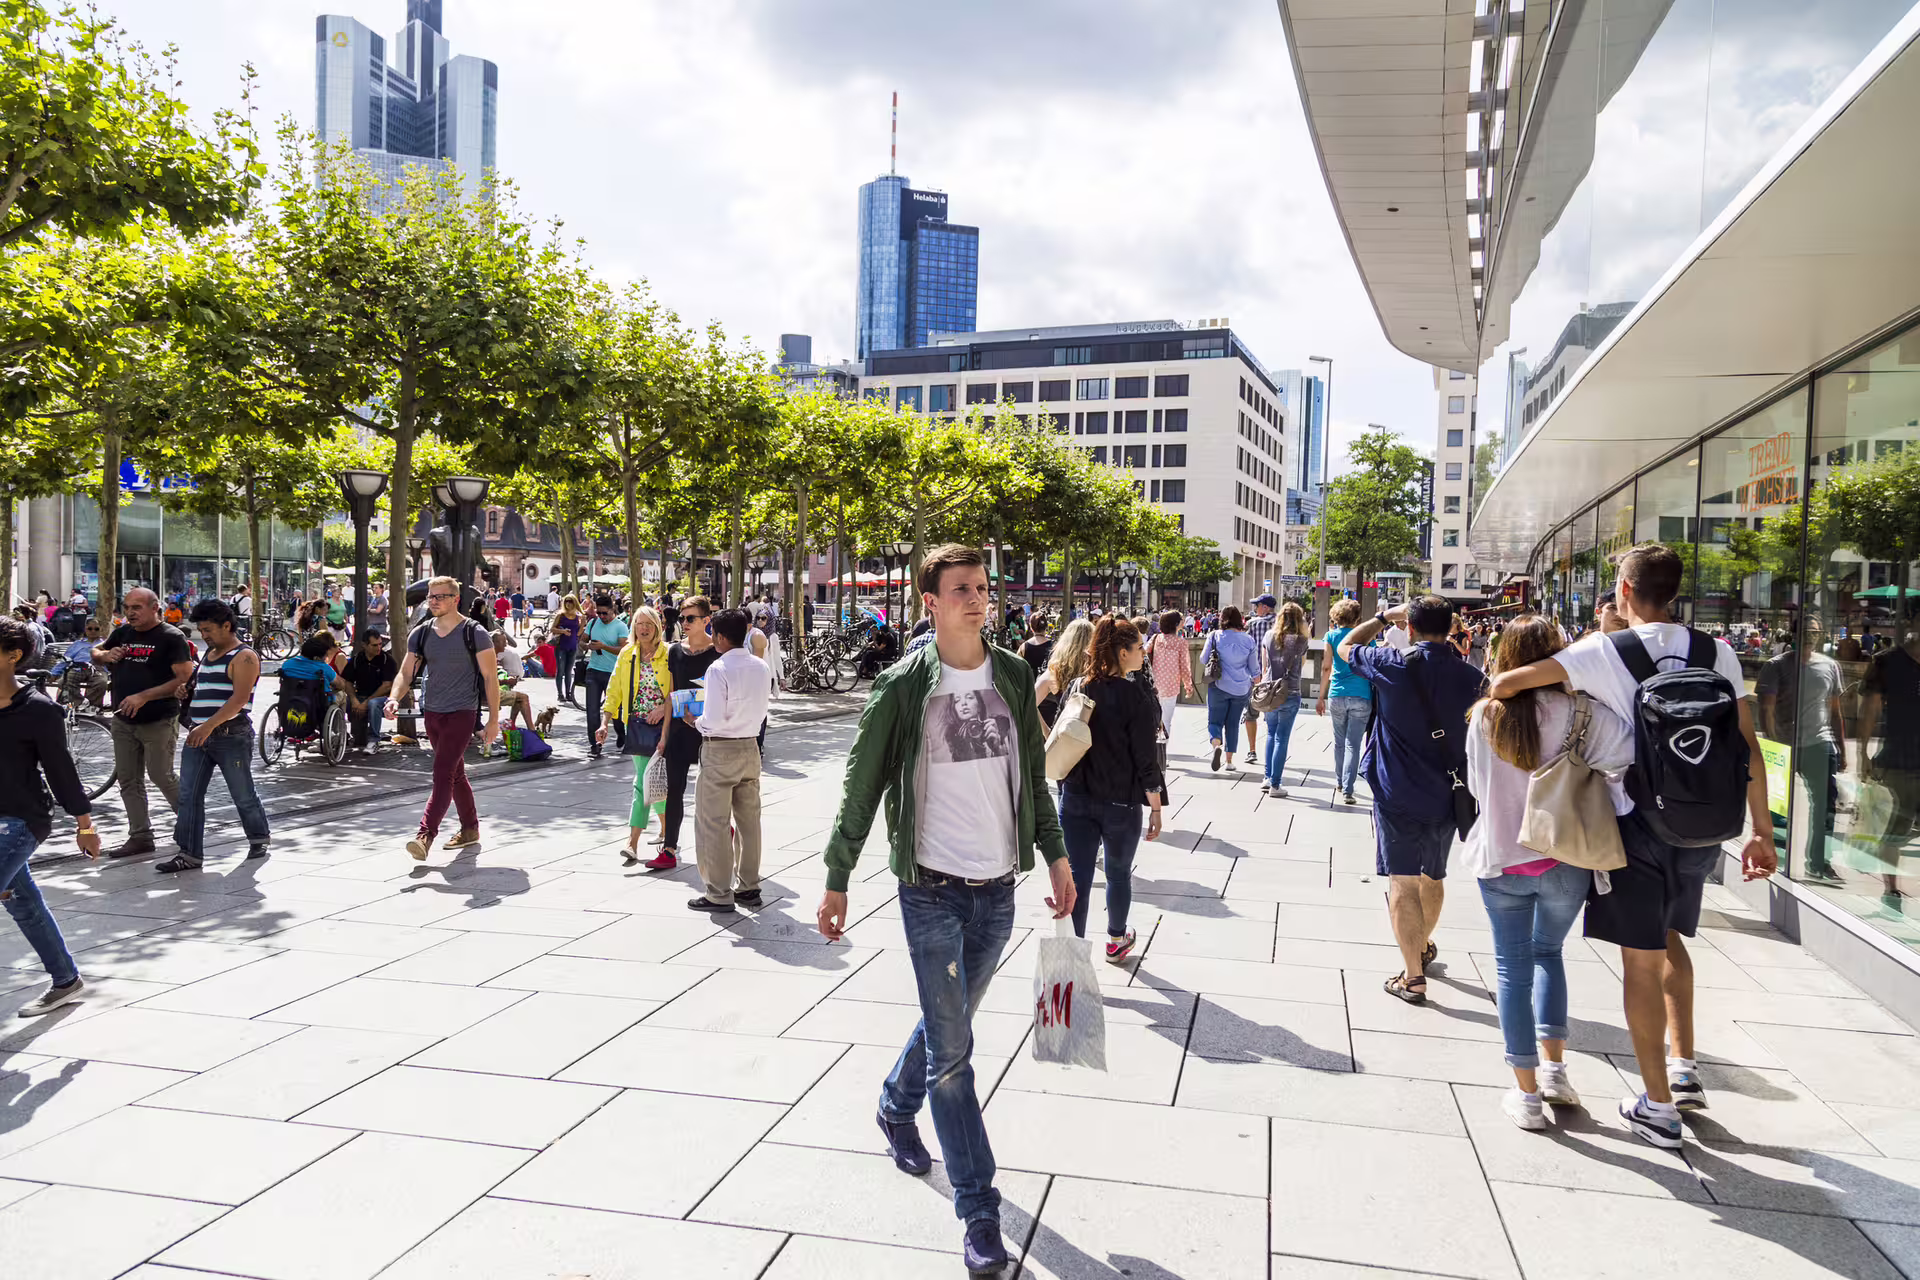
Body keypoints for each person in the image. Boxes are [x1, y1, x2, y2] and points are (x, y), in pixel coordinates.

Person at [816, 544, 1072, 1275]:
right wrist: (837, 876)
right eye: (961, 589)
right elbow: (860, 787)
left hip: (999, 890)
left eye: (983, 587)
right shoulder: (903, 686)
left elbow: (1032, 770)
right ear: (929, 601)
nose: (977, 599)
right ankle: (980, 1212)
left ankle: (895, 1107)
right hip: (929, 889)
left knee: (945, 1025)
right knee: (955, 1059)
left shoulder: (1017, 675)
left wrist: (1053, 854)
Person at [1487, 543, 1775, 1149]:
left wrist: (1597, 647)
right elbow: (1746, 745)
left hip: (1638, 827)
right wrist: (1763, 832)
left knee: (1639, 961)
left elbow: (1508, 681)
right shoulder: (1716, 651)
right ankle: (1685, 1067)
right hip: (1703, 826)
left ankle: (1658, 1108)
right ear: (1674, 592)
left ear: (1623, 588)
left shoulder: (1600, 652)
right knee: (1672, 941)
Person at [1463, 614, 1633, 1129]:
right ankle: (1556, 1070)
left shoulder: (1486, 716)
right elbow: (1626, 762)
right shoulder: (1588, 713)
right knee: (1549, 955)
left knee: (1511, 971)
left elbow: (1476, 787)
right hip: (1568, 856)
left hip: (1502, 857)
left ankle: (1527, 1095)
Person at [1338, 597, 1486, 1005]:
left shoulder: (1391, 663)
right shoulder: (1472, 676)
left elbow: (1344, 646)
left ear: (1412, 628)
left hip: (1396, 790)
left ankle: (1414, 976)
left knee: (1402, 881)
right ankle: (1422, 944)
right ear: (1452, 627)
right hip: (1448, 794)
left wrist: (1383, 616)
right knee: (1433, 875)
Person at [0, 616, 104, 1016]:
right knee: (23, 904)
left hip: (20, 820)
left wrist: (85, 825)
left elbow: (62, 772)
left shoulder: (40, 710)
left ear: (13, 656)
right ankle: (66, 980)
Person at [1057, 616, 1163, 960]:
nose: (1143, 655)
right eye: (1137, 649)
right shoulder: (1136, 696)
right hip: (1120, 802)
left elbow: (1062, 738)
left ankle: (1073, 954)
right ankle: (1116, 939)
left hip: (1075, 797)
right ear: (1122, 653)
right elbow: (1146, 759)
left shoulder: (1078, 688)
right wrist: (1157, 808)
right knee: (1117, 874)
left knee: (1078, 879)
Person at [386, 575, 502, 861]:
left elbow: (491, 679)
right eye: (431, 596)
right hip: (433, 712)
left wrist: (493, 720)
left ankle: (425, 835)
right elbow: (406, 672)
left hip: (462, 712)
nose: (433, 601)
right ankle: (470, 828)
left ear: (455, 599)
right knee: (455, 773)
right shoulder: (422, 633)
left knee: (442, 773)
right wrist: (393, 697)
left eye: (440, 596)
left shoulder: (474, 632)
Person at [160, 601, 271, 873]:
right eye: (201, 629)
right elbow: (207, 688)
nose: (204, 635)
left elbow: (239, 700)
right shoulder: (209, 653)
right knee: (188, 795)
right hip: (199, 733)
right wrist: (186, 693)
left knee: (242, 793)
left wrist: (208, 726)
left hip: (230, 735)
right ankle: (189, 853)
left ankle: (259, 837)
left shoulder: (244, 656)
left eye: (208, 629)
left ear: (227, 626)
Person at [91, 587, 195, 859]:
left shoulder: (171, 637)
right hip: (122, 720)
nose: (130, 613)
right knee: (128, 779)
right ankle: (140, 836)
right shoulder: (123, 633)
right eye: (126, 607)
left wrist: (143, 696)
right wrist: (105, 655)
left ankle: (192, 826)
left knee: (161, 775)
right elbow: (96, 651)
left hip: (158, 719)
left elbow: (184, 677)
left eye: (137, 607)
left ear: (155, 607)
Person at [687, 609, 772, 912]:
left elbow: (711, 719)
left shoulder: (717, 668)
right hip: (750, 746)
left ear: (721, 637)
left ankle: (719, 892)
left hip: (720, 749)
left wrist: (692, 720)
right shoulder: (760, 666)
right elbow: (763, 711)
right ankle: (749, 886)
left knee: (714, 822)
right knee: (749, 822)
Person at [1757, 622, 1847, 884]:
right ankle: (1777, 860)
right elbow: (1766, 709)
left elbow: (1835, 710)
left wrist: (1840, 747)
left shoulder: (1830, 666)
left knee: (1825, 807)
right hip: (1785, 745)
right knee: (1778, 808)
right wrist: (1775, 746)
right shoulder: (1776, 666)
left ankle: (1819, 863)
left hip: (1819, 743)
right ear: (1794, 636)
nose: (1810, 636)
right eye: (1805, 631)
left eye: (1815, 632)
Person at [650, 595, 719, 873]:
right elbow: (670, 694)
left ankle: (722, 834)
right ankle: (669, 849)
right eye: (682, 618)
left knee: (711, 792)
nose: (684, 623)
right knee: (674, 789)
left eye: (690, 618)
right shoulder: (674, 652)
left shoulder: (718, 653)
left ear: (706, 620)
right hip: (679, 729)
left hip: (710, 731)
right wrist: (664, 736)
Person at [601, 606, 672, 864]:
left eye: (649, 624)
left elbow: (679, 689)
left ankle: (643, 839)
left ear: (657, 627)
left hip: (664, 728)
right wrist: (605, 721)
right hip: (637, 727)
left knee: (650, 782)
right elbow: (614, 689)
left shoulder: (668, 654)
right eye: (639, 624)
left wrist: (664, 708)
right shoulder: (627, 654)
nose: (643, 628)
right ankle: (652, 835)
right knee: (647, 781)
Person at [1316, 599, 1373, 805]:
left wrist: (1321, 697)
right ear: (1357, 617)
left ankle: (1340, 782)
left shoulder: (1330, 636)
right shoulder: (1366, 637)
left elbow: (1326, 668)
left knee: (1339, 742)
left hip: (1337, 693)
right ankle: (1349, 789)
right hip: (1361, 695)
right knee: (1353, 744)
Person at [1200, 605, 1260, 773]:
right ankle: (1229, 761)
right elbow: (1254, 668)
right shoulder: (1248, 640)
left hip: (1218, 685)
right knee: (1233, 724)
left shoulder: (1214, 636)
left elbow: (1203, 659)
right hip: (1241, 688)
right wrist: (1257, 684)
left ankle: (1216, 744)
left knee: (1215, 721)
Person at [1260, 601, 1311, 798]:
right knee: (1282, 737)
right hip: (1291, 691)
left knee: (1271, 734)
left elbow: (1265, 665)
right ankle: (1275, 784)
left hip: (1270, 691)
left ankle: (1266, 777)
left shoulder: (1268, 636)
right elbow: (1303, 664)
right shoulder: (1301, 640)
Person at [581, 594, 629, 758]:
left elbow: (624, 650)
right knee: (592, 710)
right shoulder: (593, 623)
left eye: (604, 613)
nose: (601, 616)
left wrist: (604, 646)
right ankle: (595, 744)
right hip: (593, 671)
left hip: (614, 673)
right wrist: (587, 645)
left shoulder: (621, 627)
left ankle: (621, 735)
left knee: (616, 711)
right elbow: (581, 641)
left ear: (612, 610)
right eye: (599, 613)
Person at [1033, 617, 1094, 734]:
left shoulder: (1055, 672)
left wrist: (1048, 734)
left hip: (1065, 739)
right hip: (1092, 739)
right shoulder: (1095, 671)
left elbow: (1029, 703)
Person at [339, 630, 397, 752]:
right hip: (360, 696)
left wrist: (365, 702)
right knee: (340, 700)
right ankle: (340, 735)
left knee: (373, 704)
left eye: (380, 644)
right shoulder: (356, 660)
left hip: (384, 699)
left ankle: (374, 740)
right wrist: (354, 700)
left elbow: (387, 686)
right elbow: (347, 682)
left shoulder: (387, 660)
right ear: (364, 645)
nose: (379, 647)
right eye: (374, 645)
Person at [1145, 609, 1195, 741]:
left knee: (1151, 719)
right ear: (1176, 624)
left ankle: (1152, 749)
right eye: (1181, 620)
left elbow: (1143, 653)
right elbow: (1185, 667)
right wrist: (1188, 686)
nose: (1183, 622)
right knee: (1166, 720)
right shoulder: (1181, 643)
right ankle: (1162, 753)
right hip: (1171, 686)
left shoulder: (1156, 638)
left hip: (1153, 684)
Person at [1243, 594, 1277, 765]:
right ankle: (1274, 752)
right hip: (1276, 679)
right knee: (1273, 718)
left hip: (1255, 677)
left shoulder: (1253, 624)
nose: (1255, 609)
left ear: (1264, 607)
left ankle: (1252, 750)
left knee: (1250, 714)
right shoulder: (1282, 624)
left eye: (1257, 606)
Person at [50, 619, 107, 711]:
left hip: (98, 668)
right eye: (90, 628)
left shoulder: (105, 643)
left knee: (101, 682)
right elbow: (66, 660)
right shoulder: (78, 644)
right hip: (78, 667)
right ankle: (81, 703)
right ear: (85, 629)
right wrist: (54, 673)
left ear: (100, 629)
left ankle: (92, 707)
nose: (93, 631)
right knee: (64, 682)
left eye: (96, 629)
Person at [491, 631, 535, 735]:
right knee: (523, 698)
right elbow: (488, 681)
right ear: (495, 643)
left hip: (489, 690)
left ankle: (512, 727)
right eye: (503, 642)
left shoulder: (494, 655)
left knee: (519, 699)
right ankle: (532, 731)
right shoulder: (490, 656)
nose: (506, 644)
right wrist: (506, 681)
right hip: (489, 693)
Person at [552, 594, 583, 706]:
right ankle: (560, 694)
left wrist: (583, 623)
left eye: (570, 602)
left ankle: (568, 693)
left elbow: (578, 633)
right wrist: (563, 631)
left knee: (568, 671)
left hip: (572, 646)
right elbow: (552, 629)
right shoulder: (560, 615)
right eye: (566, 601)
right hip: (561, 646)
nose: (568, 604)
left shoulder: (577, 616)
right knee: (560, 670)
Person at [1018, 613, 1053, 678]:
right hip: (1047, 685)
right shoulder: (1054, 646)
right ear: (1046, 626)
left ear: (1031, 627)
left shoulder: (1023, 647)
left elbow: (1018, 667)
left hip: (1029, 685)